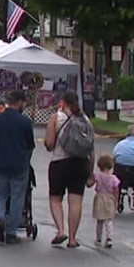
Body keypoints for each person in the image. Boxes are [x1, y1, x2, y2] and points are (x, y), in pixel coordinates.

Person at [44, 92, 93, 248]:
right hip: (81, 164)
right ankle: (72, 238)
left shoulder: (56, 118)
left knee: (55, 198)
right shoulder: (85, 120)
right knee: (75, 201)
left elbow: (49, 143)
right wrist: (91, 173)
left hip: (60, 163)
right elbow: (91, 149)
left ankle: (60, 230)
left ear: (63, 102)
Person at [0, 89, 35, 244]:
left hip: (1, 162)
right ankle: (11, 231)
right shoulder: (25, 122)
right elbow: (30, 146)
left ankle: (0, 218)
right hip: (20, 163)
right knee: (17, 197)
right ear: (20, 102)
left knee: (0, 194)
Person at [88, 154, 120, 248]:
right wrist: (116, 200)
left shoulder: (98, 176)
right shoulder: (113, 179)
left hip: (99, 197)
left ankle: (98, 238)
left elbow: (91, 183)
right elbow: (116, 190)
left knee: (100, 220)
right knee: (109, 219)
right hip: (109, 198)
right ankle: (109, 238)